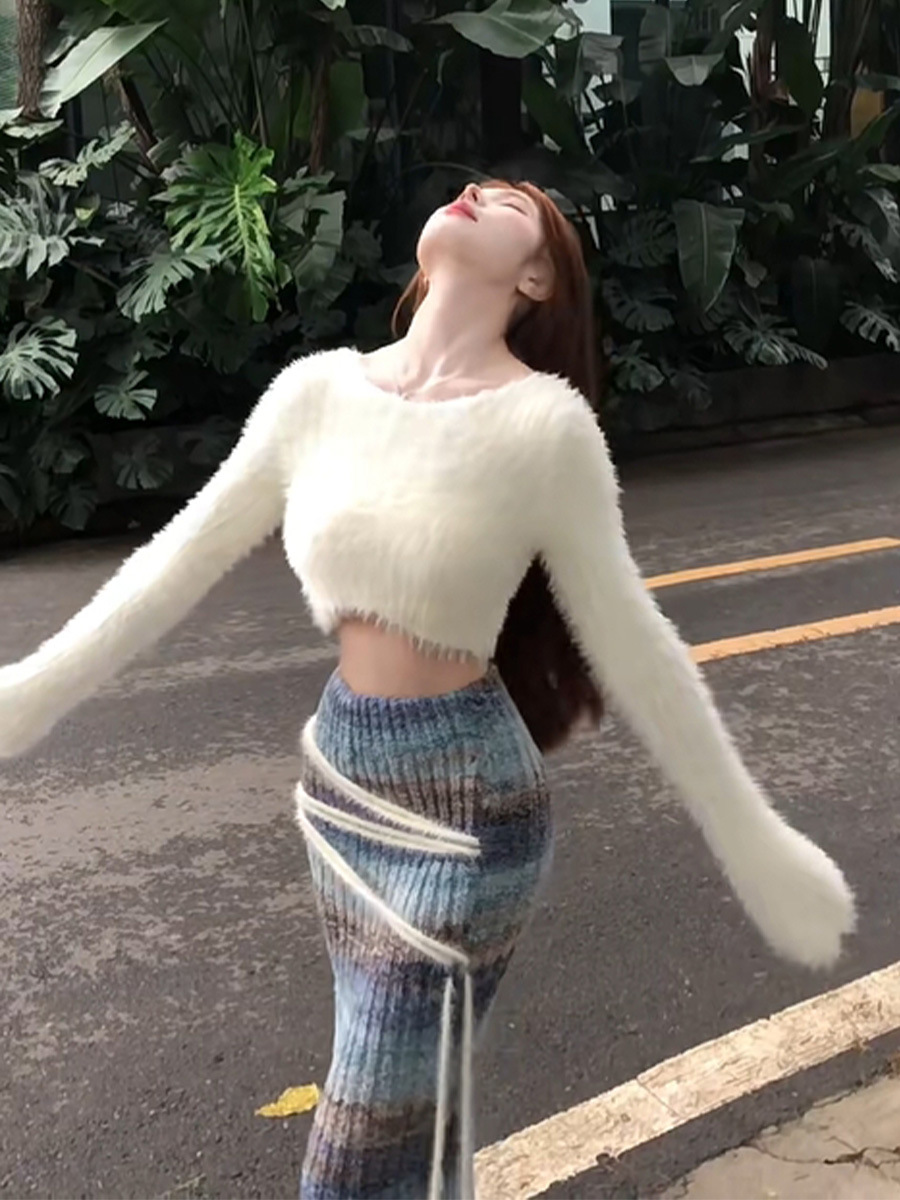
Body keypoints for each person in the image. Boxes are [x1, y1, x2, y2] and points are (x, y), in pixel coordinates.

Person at [0, 181, 855, 1200]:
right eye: (476, 185)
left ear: (536, 277)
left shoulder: (545, 427)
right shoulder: (316, 394)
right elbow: (175, 562)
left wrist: (755, 844)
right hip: (343, 790)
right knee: (410, 1139)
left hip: (471, 818)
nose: (475, 190)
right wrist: (32, 690)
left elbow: (633, 640)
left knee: (356, 1156)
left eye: (513, 201)